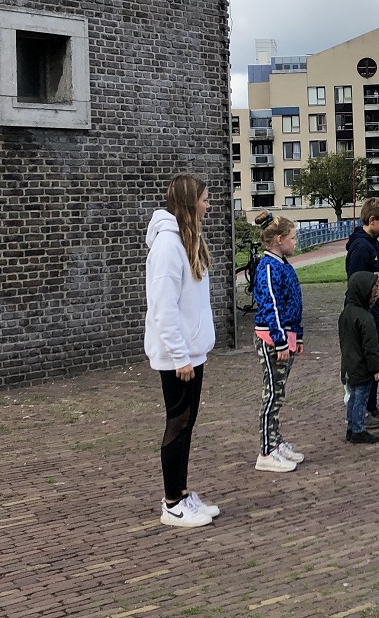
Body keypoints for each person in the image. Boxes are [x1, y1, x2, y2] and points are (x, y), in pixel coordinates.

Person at [145, 174, 219, 528]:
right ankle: (172, 502)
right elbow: (163, 307)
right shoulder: (167, 247)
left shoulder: (188, 241)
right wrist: (179, 357)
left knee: (187, 423)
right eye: (205, 199)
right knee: (177, 423)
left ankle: (182, 491)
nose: (209, 204)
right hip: (180, 357)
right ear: (191, 203)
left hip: (192, 352)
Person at [251, 212, 306, 472]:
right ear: (279, 239)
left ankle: (276, 442)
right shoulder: (269, 267)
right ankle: (266, 451)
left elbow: (293, 302)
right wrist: (281, 342)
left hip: (286, 337)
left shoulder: (283, 264)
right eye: (293, 238)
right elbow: (271, 306)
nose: (297, 242)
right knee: (271, 394)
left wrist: (298, 335)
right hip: (272, 340)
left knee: (279, 395)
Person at [345, 197, 379, 426]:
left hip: (376, 311)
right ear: (372, 220)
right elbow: (355, 281)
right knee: (365, 360)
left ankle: (371, 405)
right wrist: (364, 313)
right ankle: (361, 410)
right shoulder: (361, 247)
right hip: (367, 313)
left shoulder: (373, 242)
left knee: (376, 356)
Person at [340, 270, 379, 443]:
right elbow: (371, 347)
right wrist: (375, 368)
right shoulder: (366, 318)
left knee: (352, 397)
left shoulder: (345, 314)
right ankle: (358, 429)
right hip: (362, 367)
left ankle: (352, 427)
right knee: (360, 398)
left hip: (349, 365)